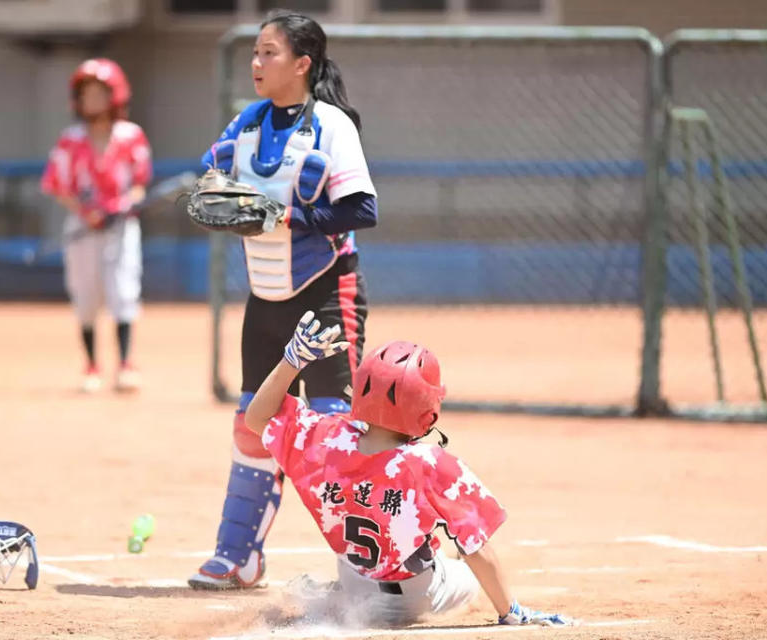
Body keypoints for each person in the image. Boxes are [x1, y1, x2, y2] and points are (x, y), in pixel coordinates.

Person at [188, 11, 379, 590]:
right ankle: (239, 556)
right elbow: (211, 179)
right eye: (254, 52)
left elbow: (362, 210)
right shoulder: (244, 125)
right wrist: (214, 194)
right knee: (254, 424)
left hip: (325, 292)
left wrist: (291, 215)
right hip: (264, 296)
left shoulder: (333, 126)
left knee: (329, 430)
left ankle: (360, 564)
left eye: (269, 53)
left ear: (303, 64)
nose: (256, 63)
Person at [239, 311, 576, 627]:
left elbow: (255, 418)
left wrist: (292, 360)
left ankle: (341, 597)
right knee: (465, 572)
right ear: (425, 409)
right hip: (413, 599)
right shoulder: (431, 463)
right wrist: (511, 612)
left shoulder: (326, 440)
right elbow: (477, 547)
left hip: (355, 584)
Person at [41, 58, 152, 393]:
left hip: (120, 226)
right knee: (85, 294)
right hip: (83, 227)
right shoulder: (70, 139)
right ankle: (91, 365)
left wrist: (125, 205)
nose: (93, 101)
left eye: (99, 94)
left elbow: (140, 183)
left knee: (123, 291)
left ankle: (125, 364)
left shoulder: (131, 136)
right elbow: (58, 185)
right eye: (86, 94)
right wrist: (86, 211)